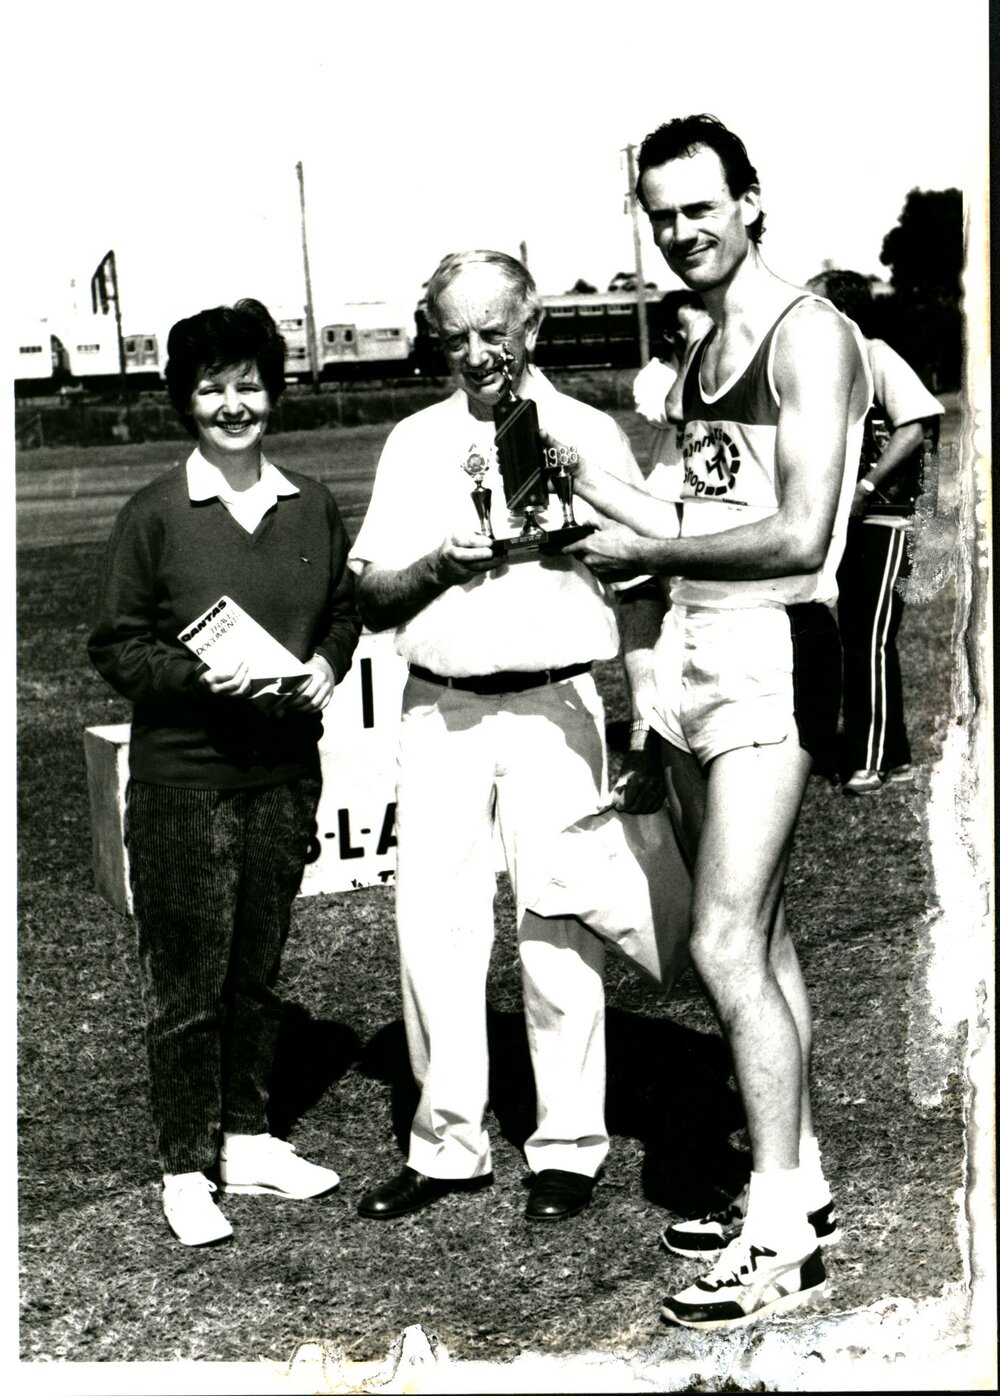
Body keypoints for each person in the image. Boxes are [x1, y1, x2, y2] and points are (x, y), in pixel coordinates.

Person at [554, 116, 872, 1327]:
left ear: (751, 204)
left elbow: (796, 532)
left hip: (774, 648)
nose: (681, 230)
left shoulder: (811, 337)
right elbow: (688, 509)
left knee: (723, 942)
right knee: (765, 938)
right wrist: (578, 481)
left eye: (701, 206)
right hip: (691, 643)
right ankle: (799, 1179)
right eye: (661, 212)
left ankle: (783, 1244)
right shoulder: (694, 352)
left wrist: (652, 544)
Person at [348, 249, 666, 1224]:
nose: (479, 353)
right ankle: (446, 1145)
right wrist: (442, 564)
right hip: (439, 706)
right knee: (433, 925)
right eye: (458, 336)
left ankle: (568, 1146)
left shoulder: (583, 430)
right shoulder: (413, 442)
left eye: (497, 331)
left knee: (557, 920)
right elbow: (369, 593)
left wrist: (647, 713)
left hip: (555, 706)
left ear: (534, 328)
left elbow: (647, 582)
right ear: (434, 338)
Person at [88, 299, 361, 1246]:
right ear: (184, 402)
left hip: (284, 775)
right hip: (184, 780)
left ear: (273, 393)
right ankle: (183, 1165)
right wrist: (202, 679)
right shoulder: (156, 513)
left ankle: (246, 1139)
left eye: (249, 385)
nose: (235, 405)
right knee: (188, 984)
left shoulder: (311, 503)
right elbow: (117, 644)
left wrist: (328, 660)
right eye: (213, 389)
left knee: (258, 972)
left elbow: (342, 609)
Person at [812, 271, 945, 795]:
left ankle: (870, 759)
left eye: (815, 304)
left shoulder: (875, 353)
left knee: (869, 638)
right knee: (853, 638)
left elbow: (916, 425)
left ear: (842, 312)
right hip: (844, 522)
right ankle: (897, 755)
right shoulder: (827, 365)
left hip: (886, 519)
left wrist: (866, 486)